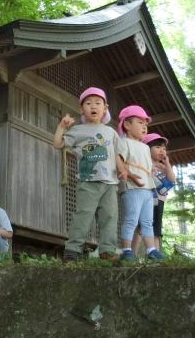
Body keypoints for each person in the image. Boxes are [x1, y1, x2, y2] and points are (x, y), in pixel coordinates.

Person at [53, 87, 126, 262]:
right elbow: (57, 144)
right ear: (81, 109)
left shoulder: (111, 132)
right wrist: (62, 127)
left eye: (98, 103)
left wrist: (123, 169)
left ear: (105, 108)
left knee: (109, 217)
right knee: (83, 216)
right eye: (88, 103)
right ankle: (72, 251)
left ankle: (107, 251)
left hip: (110, 183)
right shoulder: (78, 130)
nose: (93, 106)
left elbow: (117, 154)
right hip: (88, 182)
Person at [116, 106, 165, 262]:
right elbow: (118, 159)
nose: (144, 127)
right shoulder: (123, 142)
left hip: (147, 188)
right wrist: (126, 172)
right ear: (127, 125)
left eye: (145, 124)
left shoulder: (145, 146)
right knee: (131, 218)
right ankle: (126, 249)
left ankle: (151, 250)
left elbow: (147, 165)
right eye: (140, 122)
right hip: (132, 186)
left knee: (147, 221)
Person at [134, 133, 176, 252]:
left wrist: (167, 164)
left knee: (157, 229)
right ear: (147, 148)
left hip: (160, 201)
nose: (162, 150)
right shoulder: (143, 163)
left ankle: (156, 255)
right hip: (147, 198)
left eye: (164, 148)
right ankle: (132, 254)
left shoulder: (164, 166)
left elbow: (172, 179)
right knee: (141, 226)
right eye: (157, 147)